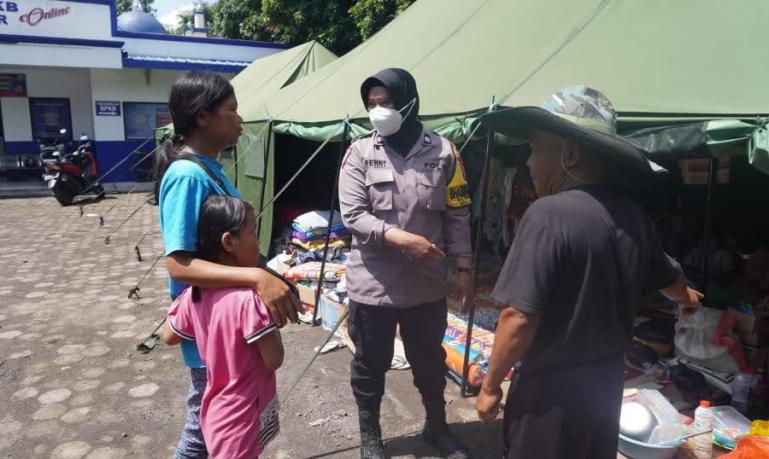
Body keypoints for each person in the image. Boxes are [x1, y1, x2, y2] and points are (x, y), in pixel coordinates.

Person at [474, 86, 703, 459]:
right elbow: (672, 280)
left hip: (551, 394)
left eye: (534, 149)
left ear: (571, 153)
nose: (528, 163)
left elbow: (518, 316)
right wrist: (689, 299)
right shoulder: (634, 216)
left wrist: (490, 386)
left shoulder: (547, 214)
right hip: (606, 385)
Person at [157, 70, 299, 458]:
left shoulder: (209, 169)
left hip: (226, 333)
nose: (239, 120)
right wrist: (254, 276)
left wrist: (267, 274)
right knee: (202, 438)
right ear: (202, 117)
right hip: (214, 338)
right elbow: (179, 264)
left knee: (210, 434)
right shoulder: (187, 175)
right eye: (231, 111)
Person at [338, 68, 474, 459]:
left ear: (409, 102)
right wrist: (400, 238)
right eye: (372, 104)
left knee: (430, 361)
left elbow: (459, 214)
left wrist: (464, 271)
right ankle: (371, 438)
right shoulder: (359, 153)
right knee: (370, 364)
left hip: (427, 285)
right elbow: (353, 215)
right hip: (372, 285)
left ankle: (437, 426)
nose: (378, 111)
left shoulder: (446, 152)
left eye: (387, 103)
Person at [162, 195, 282, 459]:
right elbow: (274, 360)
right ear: (229, 242)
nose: (258, 241)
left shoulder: (195, 294)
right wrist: (272, 318)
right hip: (242, 417)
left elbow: (169, 336)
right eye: (253, 232)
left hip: (215, 411)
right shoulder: (249, 301)